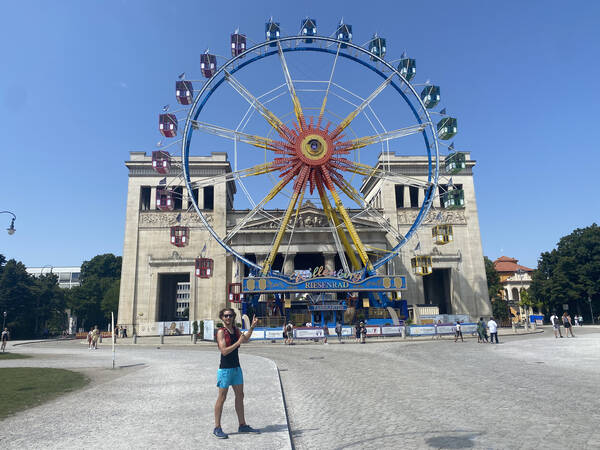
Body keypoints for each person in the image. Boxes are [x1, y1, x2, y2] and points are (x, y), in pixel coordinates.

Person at [213, 308, 260, 439]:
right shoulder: (221, 332)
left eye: (230, 315)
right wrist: (237, 343)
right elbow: (224, 351)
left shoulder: (236, 330)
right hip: (225, 369)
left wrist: (252, 328)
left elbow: (245, 339)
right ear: (222, 318)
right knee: (222, 397)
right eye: (226, 316)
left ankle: (242, 424)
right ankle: (217, 427)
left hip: (236, 368)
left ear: (233, 317)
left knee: (240, 395)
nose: (228, 318)